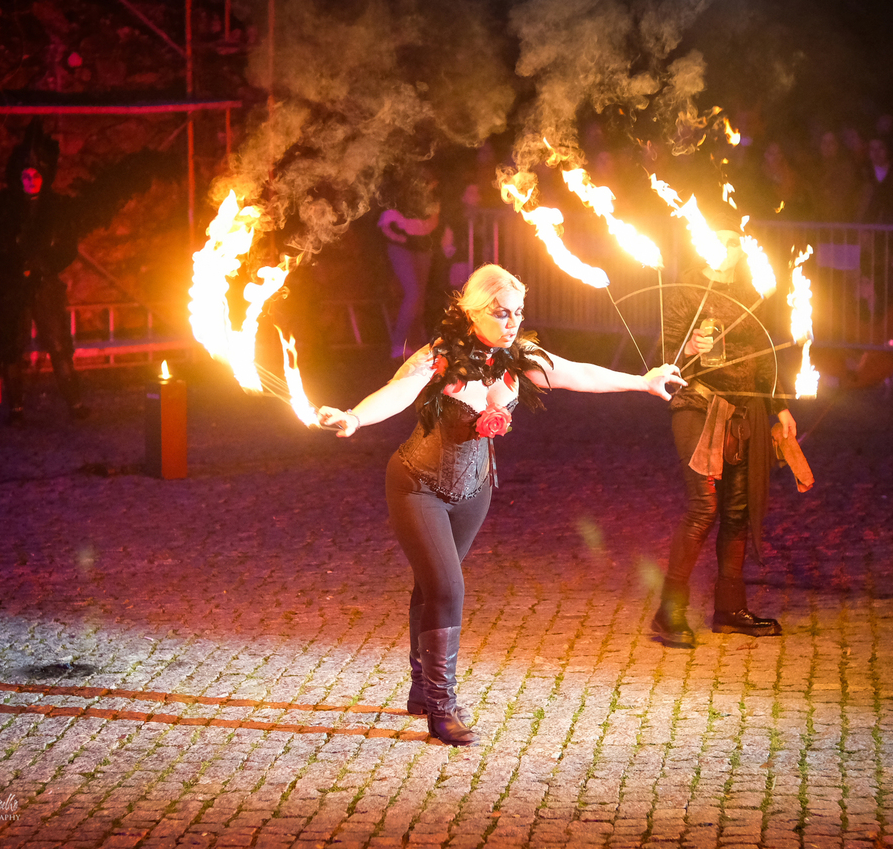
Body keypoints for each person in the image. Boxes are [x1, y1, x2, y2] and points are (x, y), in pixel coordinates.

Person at [317, 264, 684, 745]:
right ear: (473, 312)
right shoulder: (439, 356)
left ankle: (421, 688)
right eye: (501, 313)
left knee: (432, 585)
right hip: (417, 484)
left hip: (475, 490)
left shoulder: (520, 357)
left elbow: (576, 373)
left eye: (518, 312)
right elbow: (398, 392)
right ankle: (441, 707)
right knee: (448, 586)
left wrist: (642, 381)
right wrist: (354, 418)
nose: (512, 322)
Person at [0, 121, 169, 423]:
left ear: (45, 177)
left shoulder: (58, 209)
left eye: (36, 175)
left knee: (59, 346)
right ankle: (16, 409)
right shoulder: (1, 208)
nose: (31, 181)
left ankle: (75, 403)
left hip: (45, 286)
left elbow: (66, 248)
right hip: (11, 289)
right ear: (18, 177)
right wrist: (12, 269)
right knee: (11, 349)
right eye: (26, 175)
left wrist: (43, 268)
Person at [653, 231, 797, 649]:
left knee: (737, 511)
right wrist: (688, 347)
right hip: (697, 405)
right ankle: (669, 611)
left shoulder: (753, 293)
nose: (728, 247)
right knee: (705, 506)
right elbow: (662, 354)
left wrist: (780, 406)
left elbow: (765, 356)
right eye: (720, 239)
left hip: (743, 411)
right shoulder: (686, 290)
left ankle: (730, 611)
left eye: (735, 240)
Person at [378, 176, 443, 360]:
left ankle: (415, 343)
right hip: (401, 248)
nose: (433, 184)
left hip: (423, 249)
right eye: (429, 181)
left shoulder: (431, 200)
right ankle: (399, 344)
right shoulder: (401, 198)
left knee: (419, 298)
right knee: (413, 294)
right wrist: (402, 236)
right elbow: (386, 224)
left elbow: (431, 224)